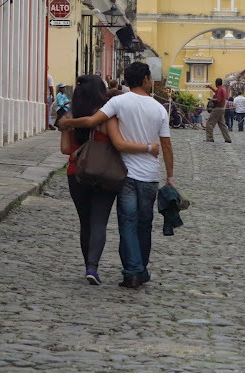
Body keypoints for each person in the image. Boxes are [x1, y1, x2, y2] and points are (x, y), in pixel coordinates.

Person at [59, 62, 175, 289]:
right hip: (143, 175)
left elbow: (83, 132)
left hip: (110, 173)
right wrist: (167, 172)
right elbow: (163, 145)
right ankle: (139, 269)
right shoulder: (159, 108)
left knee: (124, 224)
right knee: (142, 224)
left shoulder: (116, 103)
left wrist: (67, 123)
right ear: (145, 79)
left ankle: (120, 270)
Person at [205, 78, 232, 143]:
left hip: (217, 109)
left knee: (209, 123)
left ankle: (209, 138)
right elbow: (217, 92)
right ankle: (228, 139)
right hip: (222, 108)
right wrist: (210, 87)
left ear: (216, 83)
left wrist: (211, 99)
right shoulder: (222, 89)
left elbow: (218, 99)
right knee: (222, 125)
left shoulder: (220, 90)